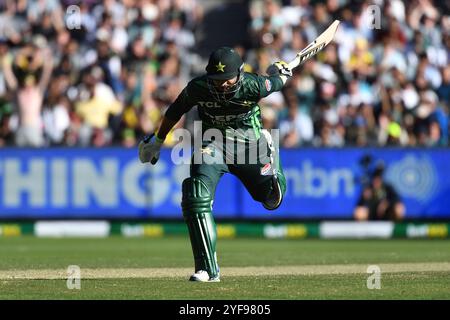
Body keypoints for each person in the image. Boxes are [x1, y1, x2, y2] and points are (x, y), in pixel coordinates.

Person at [138, 46, 292, 282]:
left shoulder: (254, 85)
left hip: (249, 145)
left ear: (240, 74)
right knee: (195, 195)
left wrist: (279, 72)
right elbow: (175, 110)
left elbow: (277, 82)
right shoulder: (198, 87)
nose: (221, 86)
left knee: (272, 199)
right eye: (216, 80)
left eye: (227, 81)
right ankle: (207, 270)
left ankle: (271, 150)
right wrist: (158, 140)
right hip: (213, 145)